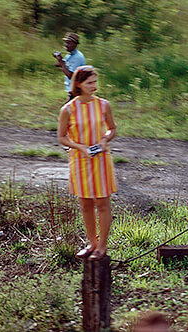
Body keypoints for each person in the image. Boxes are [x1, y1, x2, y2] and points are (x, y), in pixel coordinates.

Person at [57, 65, 117, 261]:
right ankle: (91, 242)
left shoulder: (103, 105)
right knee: (85, 204)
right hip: (80, 160)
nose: (94, 86)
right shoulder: (68, 109)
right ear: (78, 84)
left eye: (95, 82)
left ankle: (102, 245)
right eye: (90, 82)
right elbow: (62, 137)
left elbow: (112, 129)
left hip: (101, 160)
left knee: (102, 202)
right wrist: (80, 147)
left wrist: (104, 140)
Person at [54, 32, 86, 100]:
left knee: (67, 110)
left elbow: (71, 76)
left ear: (75, 44)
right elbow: (63, 65)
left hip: (76, 92)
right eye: (65, 42)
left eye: (68, 43)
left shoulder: (78, 57)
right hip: (71, 90)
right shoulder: (69, 55)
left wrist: (60, 61)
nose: (65, 45)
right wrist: (59, 59)